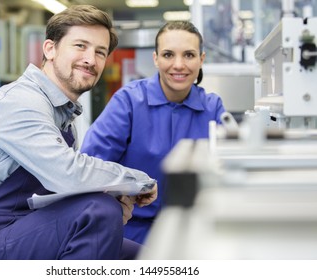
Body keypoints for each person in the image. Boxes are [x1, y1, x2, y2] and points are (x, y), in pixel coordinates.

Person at [0, 5, 157, 260]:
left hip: (18, 230)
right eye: (80, 46)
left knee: (148, 260)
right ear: (50, 49)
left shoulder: (63, 116)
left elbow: (55, 194)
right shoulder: (19, 101)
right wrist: (139, 181)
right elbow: (68, 174)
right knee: (97, 211)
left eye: (100, 52)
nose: (90, 59)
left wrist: (116, 197)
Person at [81, 21, 226, 244]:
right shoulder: (129, 101)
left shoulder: (212, 107)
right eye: (168, 55)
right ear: (156, 58)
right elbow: (91, 164)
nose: (179, 65)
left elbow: (228, 170)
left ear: (201, 59)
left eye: (189, 55)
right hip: (131, 231)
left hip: (195, 231)